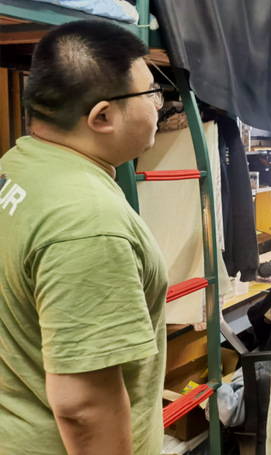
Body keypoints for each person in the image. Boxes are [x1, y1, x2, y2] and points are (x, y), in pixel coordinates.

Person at [0, 20, 167, 455]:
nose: (159, 104)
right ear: (102, 117)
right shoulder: (87, 221)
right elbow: (83, 407)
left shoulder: (17, 165)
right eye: (150, 93)